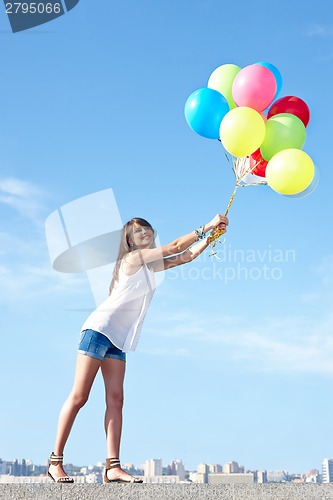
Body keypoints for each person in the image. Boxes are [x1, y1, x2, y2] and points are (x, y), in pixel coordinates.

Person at [48, 213, 229, 484]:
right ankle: (55, 462)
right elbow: (176, 246)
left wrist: (212, 238)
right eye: (137, 231)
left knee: (116, 400)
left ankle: (112, 467)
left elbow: (186, 256)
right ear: (129, 241)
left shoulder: (150, 267)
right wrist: (207, 226)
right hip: (98, 331)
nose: (144, 232)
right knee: (79, 397)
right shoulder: (133, 259)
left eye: (146, 228)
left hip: (118, 340)